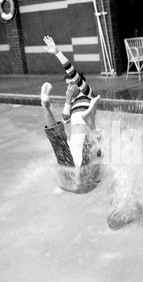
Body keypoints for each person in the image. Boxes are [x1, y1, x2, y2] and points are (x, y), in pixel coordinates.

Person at [40, 36, 102, 194]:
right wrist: (68, 100)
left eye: (72, 83)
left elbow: (72, 73)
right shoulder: (72, 102)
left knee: (87, 149)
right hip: (74, 141)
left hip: (87, 137)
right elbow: (65, 119)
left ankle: (78, 176)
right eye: (67, 85)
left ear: (80, 82)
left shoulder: (88, 94)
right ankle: (45, 104)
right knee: (57, 138)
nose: (69, 87)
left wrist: (58, 53)